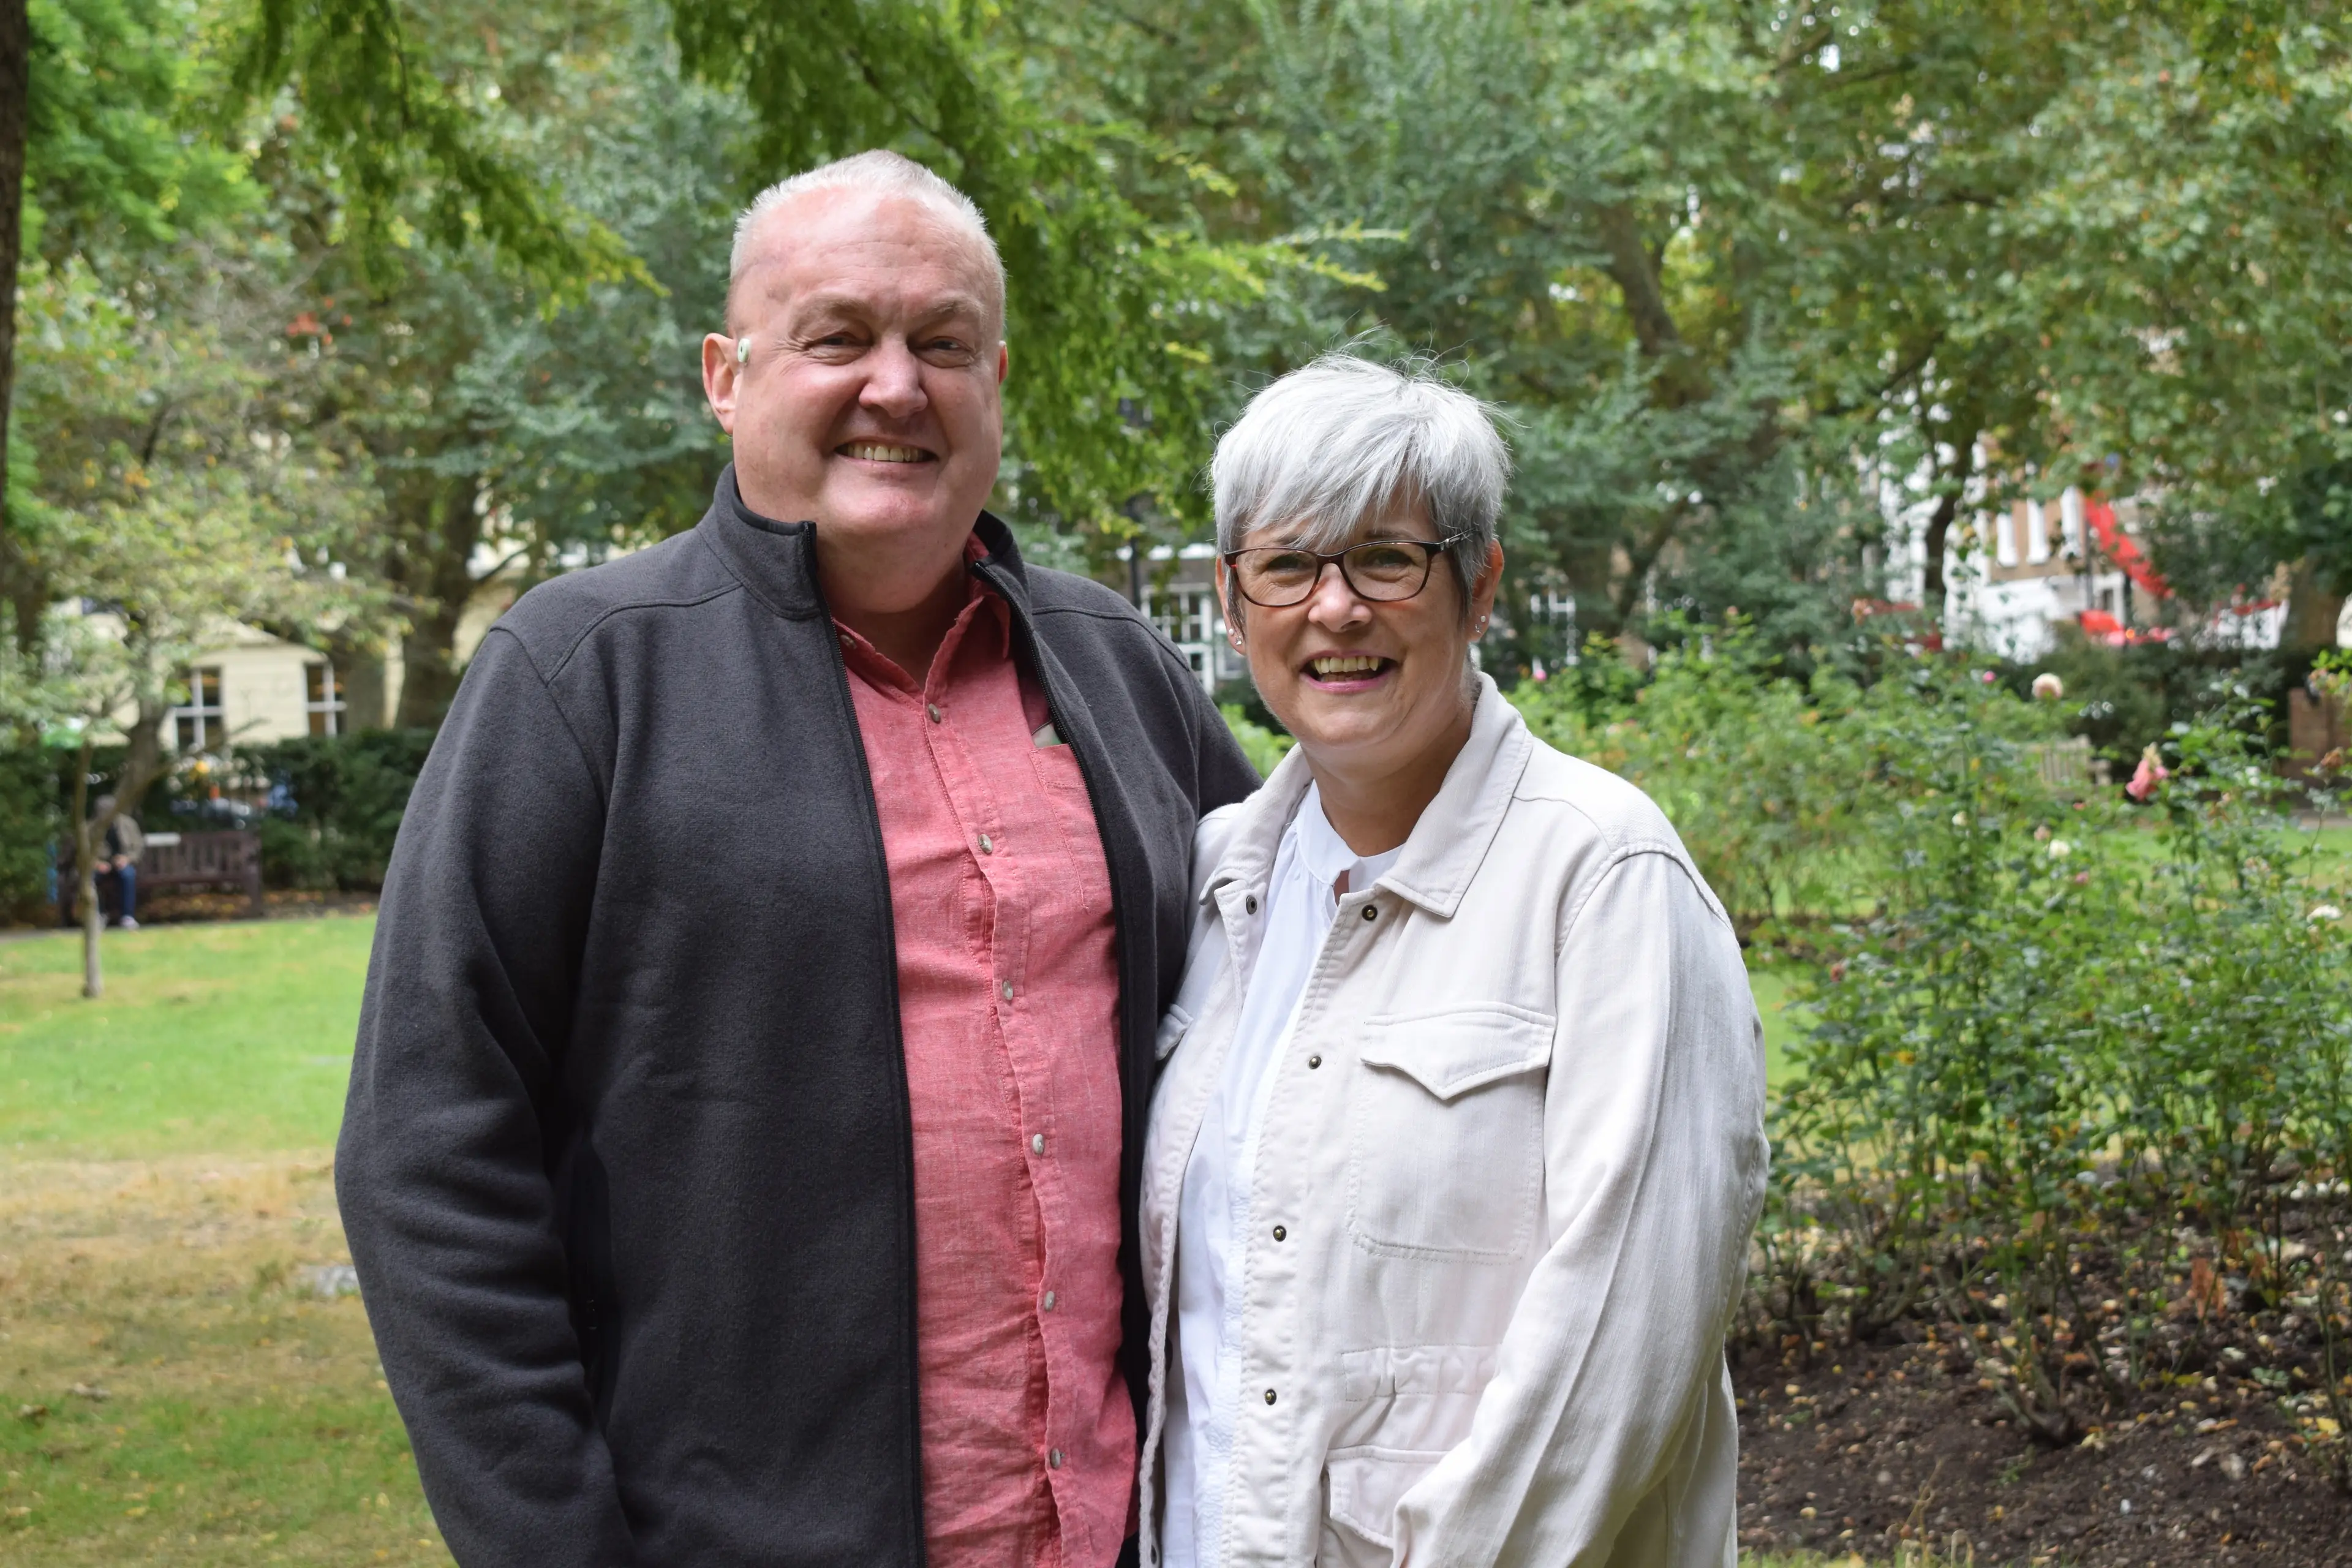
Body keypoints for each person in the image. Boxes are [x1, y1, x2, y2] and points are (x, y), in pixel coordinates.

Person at [337, 150, 1257, 1568]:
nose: (895, 384)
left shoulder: (1119, 671)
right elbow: (429, 1152)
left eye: (941, 343)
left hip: (1126, 1530)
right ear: (727, 371)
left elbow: (1302, 1006)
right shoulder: (583, 674)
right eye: (839, 335)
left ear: (994, 380)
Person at [1137, 356, 1768, 1567]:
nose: (1336, 608)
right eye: (1286, 564)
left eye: (1386, 556)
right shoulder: (1218, 886)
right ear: (1231, 600)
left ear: (1478, 584)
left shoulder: (1603, 879)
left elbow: (1612, 1358)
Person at [93, 796, 143, 930]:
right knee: (90, 878)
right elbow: (85, 853)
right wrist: (97, 863)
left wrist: (127, 859)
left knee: (128, 875)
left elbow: (138, 847)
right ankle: (99, 914)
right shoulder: (91, 828)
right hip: (102, 864)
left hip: (123, 862)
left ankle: (127, 916)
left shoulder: (128, 824)